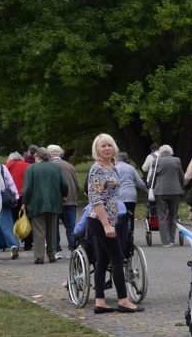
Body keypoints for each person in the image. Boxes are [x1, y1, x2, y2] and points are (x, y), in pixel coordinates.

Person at [87, 134, 143, 313]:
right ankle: (123, 301)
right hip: (100, 220)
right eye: (102, 146)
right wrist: (106, 224)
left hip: (111, 219)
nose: (107, 148)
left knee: (102, 260)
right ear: (97, 149)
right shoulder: (97, 169)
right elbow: (96, 199)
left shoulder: (112, 167)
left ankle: (100, 302)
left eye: (109, 145)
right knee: (118, 259)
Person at [22, 147, 68, 265]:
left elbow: (27, 188)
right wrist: (63, 196)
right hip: (53, 202)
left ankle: (39, 257)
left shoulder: (31, 168)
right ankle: (52, 255)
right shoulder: (56, 167)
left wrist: (25, 202)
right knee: (51, 229)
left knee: (39, 230)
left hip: (36, 203)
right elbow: (64, 184)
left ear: (37, 156)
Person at [48, 144, 81, 259]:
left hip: (56, 201)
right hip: (71, 200)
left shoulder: (50, 166)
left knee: (54, 227)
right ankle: (73, 248)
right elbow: (77, 184)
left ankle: (57, 250)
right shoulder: (69, 165)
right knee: (71, 227)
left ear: (49, 154)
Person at [0, 148, 21, 259]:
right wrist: (16, 197)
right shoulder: (2, 167)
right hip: (3, 199)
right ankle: (13, 244)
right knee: (7, 223)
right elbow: (10, 183)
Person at [151, 145, 184, 247]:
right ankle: (172, 239)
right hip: (175, 191)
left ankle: (166, 242)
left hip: (161, 192)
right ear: (171, 152)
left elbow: (153, 177)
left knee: (162, 216)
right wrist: (181, 187)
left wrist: (151, 187)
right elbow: (181, 176)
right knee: (173, 216)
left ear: (160, 152)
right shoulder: (177, 160)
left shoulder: (157, 161)